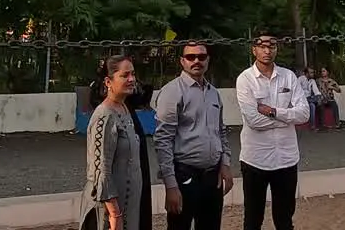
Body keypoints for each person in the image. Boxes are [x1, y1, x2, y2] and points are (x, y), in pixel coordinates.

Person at [154, 43, 233, 230]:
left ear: (208, 60)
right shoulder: (172, 92)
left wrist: (226, 164)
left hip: (212, 177)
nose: (196, 61)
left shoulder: (213, 93)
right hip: (185, 175)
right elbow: (163, 140)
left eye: (201, 56)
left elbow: (220, 131)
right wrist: (171, 185)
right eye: (190, 57)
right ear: (182, 61)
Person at [235, 32, 309, 230]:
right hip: (255, 160)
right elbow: (253, 121)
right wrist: (286, 119)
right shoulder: (245, 79)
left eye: (272, 46)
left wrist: (273, 111)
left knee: (284, 219)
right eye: (262, 46)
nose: (267, 51)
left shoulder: (289, 77)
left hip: (286, 159)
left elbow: (304, 114)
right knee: (253, 219)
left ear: (277, 49)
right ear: (254, 49)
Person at [81, 55, 143, 230]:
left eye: (133, 74)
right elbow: (101, 170)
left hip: (128, 205)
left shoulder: (123, 108)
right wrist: (114, 214)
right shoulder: (104, 115)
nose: (131, 79)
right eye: (125, 75)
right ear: (108, 82)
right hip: (110, 211)